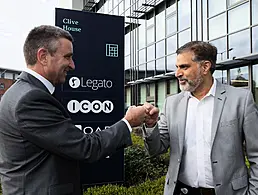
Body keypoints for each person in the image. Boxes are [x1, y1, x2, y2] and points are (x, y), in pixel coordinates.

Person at [0, 25, 147, 195]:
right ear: (43, 56)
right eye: (67, 57)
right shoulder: (30, 100)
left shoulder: (18, 92)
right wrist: (128, 123)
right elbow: (86, 148)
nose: (73, 65)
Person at [143, 41, 258, 195]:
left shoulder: (241, 100)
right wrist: (151, 126)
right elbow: (156, 149)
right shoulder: (172, 104)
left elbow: (256, 154)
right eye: (177, 67)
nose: (177, 73)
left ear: (205, 67)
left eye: (184, 67)